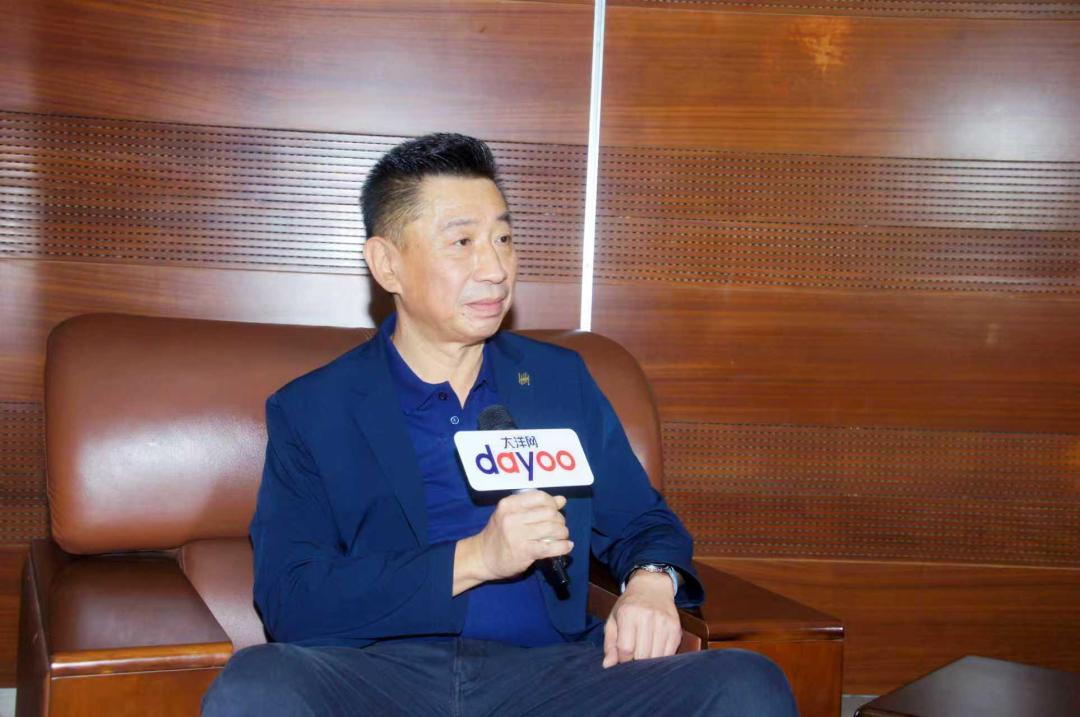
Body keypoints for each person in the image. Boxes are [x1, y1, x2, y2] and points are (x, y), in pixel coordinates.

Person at [202, 134, 797, 716]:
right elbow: (292, 599)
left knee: (746, 684)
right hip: (381, 677)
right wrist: (476, 558)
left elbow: (643, 523)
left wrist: (650, 583)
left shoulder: (559, 382)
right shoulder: (314, 409)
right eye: (461, 242)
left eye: (503, 239)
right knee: (255, 685)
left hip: (553, 676)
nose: (494, 268)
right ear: (387, 264)